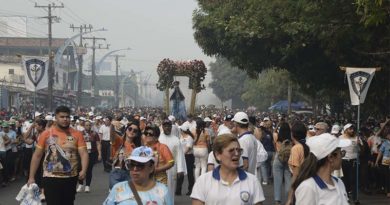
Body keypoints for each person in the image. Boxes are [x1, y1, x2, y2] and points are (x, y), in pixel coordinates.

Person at [27, 106, 89, 205]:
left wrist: (84, 170)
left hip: (71, 177)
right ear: (56, 117)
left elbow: (84, 153)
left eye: (67, 117)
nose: (65, 119)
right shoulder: (46, 134)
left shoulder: (77, 134)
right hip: (50, 177)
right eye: (62, 117)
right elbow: (37, 156)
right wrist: (31, 177)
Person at [191, 133, 265, 205]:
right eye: (231, 150)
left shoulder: (252, 181)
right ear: (218, 155)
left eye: (238, 150)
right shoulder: (203, 181)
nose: (236, 154)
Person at [293, 133, 351, 205]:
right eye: (341, 153)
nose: (342, 157)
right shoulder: (308, 188)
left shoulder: (339, 183)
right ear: (331, 158)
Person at [103, 146, 173, 205]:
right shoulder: (118, 189)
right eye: (131, 165)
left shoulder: (163, 191)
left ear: (151, 168)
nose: (135, 169)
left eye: (140, 165)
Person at [286, 121, 310, 205]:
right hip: (308, 182)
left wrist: (290, 197)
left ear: (292, 134)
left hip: (299, 184)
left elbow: (295, 174)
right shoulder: (307, 146)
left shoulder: (296, 148)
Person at [76, 121, 102, 193]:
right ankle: (80, 184)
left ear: (91, 126)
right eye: (86, 125)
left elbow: (98, 144)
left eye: (89, 125)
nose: (88, 126)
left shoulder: (94, 134)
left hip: (91, 154)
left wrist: (99, 153)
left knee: (89, 170)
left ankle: (87, 186)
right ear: (84, 126)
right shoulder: (80, 133)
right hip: (82, 153)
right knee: (80, 169)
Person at [339, 123, 362, 203]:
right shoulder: (340, 138)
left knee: (354, 180)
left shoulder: (356, 138)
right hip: (344, 161)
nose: (352, 130)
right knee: (344, 180)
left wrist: (359, 144)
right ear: (346, 130)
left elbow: (362, 149)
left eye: (353, 129)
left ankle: (355, 198)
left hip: (354, 161)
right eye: (350, 129)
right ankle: (346, 196)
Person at [272, 122, 292, 205]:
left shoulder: (277, 137)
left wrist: (277, 126)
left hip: (278, 158)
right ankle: (288, 199)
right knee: (288, 180)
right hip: (288, 160)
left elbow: (274, 132)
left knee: (277, 181)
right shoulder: (291, 139)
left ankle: (277, 201)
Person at [176, 124, 195, 196]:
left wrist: (182, 154)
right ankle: (178, 190)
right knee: (180, 172)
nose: (180, 131)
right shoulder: (180, 137)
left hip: (188, 156)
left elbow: (189, 148)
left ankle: (190, 189)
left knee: (190, 174)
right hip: (182, 157)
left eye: (180, 130)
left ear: (182, 130)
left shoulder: (189, 138)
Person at [375, 119, 390, 197]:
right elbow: (380, 153)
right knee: (386, 175)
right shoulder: (384, 141)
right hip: (385, 159)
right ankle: (386, 190)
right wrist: (377, 161)